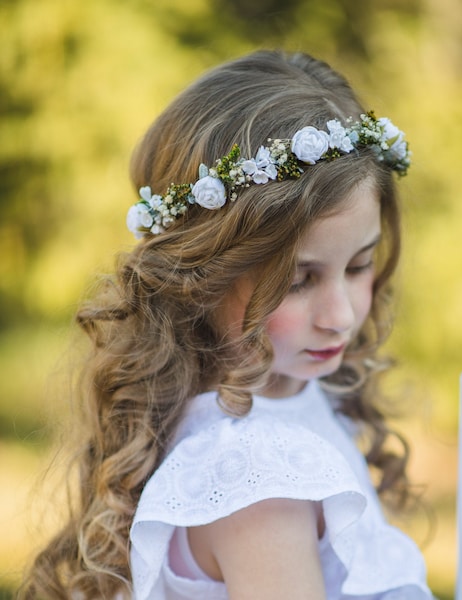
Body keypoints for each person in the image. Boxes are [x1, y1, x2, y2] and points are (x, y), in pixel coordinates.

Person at [19, 50, 433, 600]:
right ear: (203, 276)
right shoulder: (256, 478)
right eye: (298, 281)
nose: (343, 316)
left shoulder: (292, 392)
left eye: (359, 266)